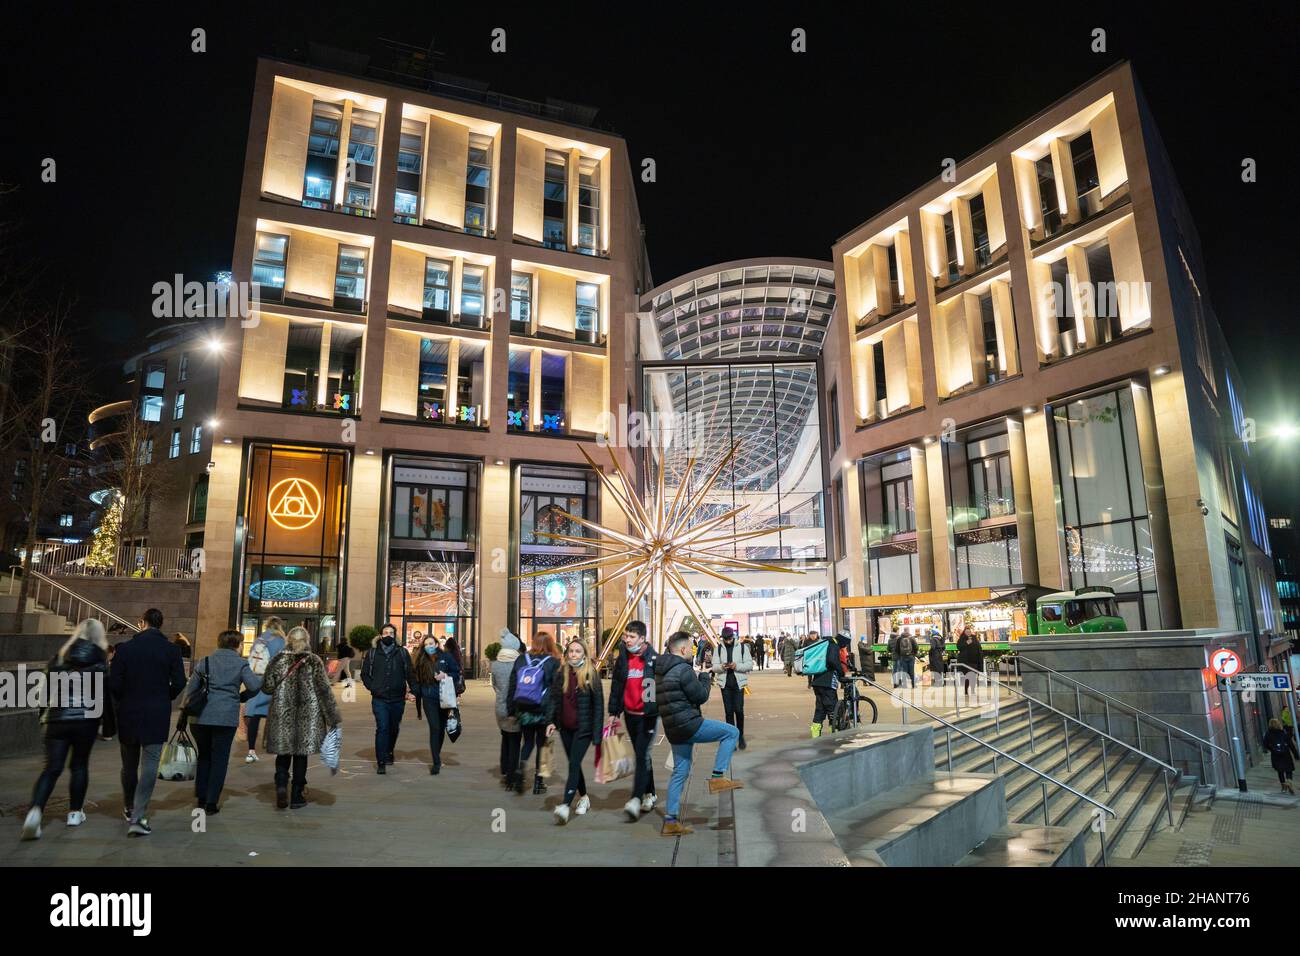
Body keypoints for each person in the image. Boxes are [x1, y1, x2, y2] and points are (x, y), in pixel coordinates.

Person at [21, 620, 109, 841]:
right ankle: (75, 813)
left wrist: (44, 715)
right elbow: (105, 695)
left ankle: (35, 812)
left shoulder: (60, 656)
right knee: (79, 766)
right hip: (86, 720)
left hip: (57, 718)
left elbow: (43, 690)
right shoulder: (100, 660)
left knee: (51, 768)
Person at [656, 631, 743, 836]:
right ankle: (717, 776)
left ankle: (670, 821)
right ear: (684, 649)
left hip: (673, 728)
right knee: (731, 732)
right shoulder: (682, 669)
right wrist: (704, 675)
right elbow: (701, 696)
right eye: (691, 648)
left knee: (680, 772)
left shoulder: (660, 669)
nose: (692, 651)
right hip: (689, 724)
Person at [109, 607, 186, 837]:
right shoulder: (172, 650)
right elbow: (180, 682)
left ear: (142, 623)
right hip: (156, 712)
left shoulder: (125, 649)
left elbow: (113, 683)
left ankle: (129, 805)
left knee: (129, 764)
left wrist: (126, 697)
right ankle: (139, 815)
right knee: (151, 762)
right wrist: (166, 696)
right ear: (161, 624)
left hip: (129, 712)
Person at [261, 627, 341, 808]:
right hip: (308, 715)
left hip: (283, 713)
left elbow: (266, 686)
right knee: (300, 755)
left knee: (283, 753)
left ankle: (281, 785)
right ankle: (297, 794)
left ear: (288, 640)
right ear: (307, 640)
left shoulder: (278, 660)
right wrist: (332, 717)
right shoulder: (314, 661)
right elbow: (324, 690)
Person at [184, 629, 261, 813]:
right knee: (220, 758)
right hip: (225, 718)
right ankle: (211, 802)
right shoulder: (241, 663)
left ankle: (201, 797)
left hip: (200, 718)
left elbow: (191, 690)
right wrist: (242, 696)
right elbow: (255, 686)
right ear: (237, 645)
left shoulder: (205, 661)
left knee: (204, 755)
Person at [547, 638, 605, 824]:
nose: (573, 654)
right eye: (571, 651)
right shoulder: (561, 674)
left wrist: (597, 735)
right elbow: (554, 701)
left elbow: (598, 707)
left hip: (584, 729)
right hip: (565, 728)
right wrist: (551, 721)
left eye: (578, 651)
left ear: (584, 654)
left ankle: (565, 805)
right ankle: (585, 797)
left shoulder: (591, 674)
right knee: (574, 763)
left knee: (573, 764)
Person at [607, 620, 659, 820]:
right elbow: (617, 686)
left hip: (647, 717)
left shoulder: (653, 659)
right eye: (626, 636)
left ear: (642, 639)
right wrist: (614, 712)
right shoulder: (623, 659)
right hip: (630, 715)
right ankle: (650, 793)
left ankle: (636, 798)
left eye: (631, 637)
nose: (627, 640)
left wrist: (653, 710)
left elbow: (656, 690)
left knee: (641, 754)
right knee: (642, 754)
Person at [507, 631, 562, 794]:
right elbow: (556, 691)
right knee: (542, 745)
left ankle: (520, 768)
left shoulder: (521, 659)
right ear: (550, 644)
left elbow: (512, 685)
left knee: (528, 742)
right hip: (543, 710)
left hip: (524, 708)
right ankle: (538, 782)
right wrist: (555, 717)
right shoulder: (553, 662)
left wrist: (511, 709)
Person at [361, 622, 414, 774]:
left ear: (395, 635)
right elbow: (365, 674)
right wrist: (373, 687)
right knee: (382, 728)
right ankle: (381, 761)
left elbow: (410, 673)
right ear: (380, 635)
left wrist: (414, 690)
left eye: (391, 633)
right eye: (385, 632)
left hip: (398, 698)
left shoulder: (402, 652)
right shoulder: (372, 653)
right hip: (380, 698)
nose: (388, 635)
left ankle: (390, 750)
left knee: (394, 727)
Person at [411, 633, 460, 775]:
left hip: (444, 697)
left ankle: (436, 754)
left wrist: (445, 676)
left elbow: (456, 672)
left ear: (437, 644)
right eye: (426, 645)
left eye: (431, 644)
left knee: (441, 728)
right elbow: (416, 679)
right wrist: (414, 693)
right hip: (429, 698)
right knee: (435, 727)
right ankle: (436, 762)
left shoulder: (446, 657)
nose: (429, 647)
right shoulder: (420, 659)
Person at [243, 617, 286, 763]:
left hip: (255, 681)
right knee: (274, 716)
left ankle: (251, 751)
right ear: (279, 626)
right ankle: (274, 748)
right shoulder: (280, 640)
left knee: (254, 716)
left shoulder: (259, 639)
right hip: (271, 682)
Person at [711, 626, 753, 750]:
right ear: (722, 638)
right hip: (725, 684)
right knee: (728, 712)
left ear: (733, 636)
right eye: (725, 639)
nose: (728, 641)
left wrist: (736, 666)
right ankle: (732, 739)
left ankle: (741, 736)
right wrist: (722, 667)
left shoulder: (742, 647)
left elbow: (749, 665)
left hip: (738, 683)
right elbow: (714, 667)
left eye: (730, 638)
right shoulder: (718, 649)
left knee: (739, 710)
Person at [492, 629, 524, 788]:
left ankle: (504, 768)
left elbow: (495, 686)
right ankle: (511, 776)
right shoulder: (519, 663)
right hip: (515, 707)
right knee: (515, 742)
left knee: (505, 736)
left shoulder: (495, 664)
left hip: (499, 707)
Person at [808, 631, 845, 738]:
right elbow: (833, 661)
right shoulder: (833, 645)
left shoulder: (825, 643)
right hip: (827, 683)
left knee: (820, 708)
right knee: (832, 708)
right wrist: (841, 672)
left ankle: (815, 733)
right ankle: (834, 733)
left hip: (818, 681)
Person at [1264, 718, 1298, 794]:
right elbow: (1291, 745)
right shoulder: (1283, 733)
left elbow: (1265, 744)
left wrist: (1272, 749)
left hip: (1276, 755)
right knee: (1288, 769)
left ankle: (1283, 787)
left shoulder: (1268, 734)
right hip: (1285, 754)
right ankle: (1289, 781)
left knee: (1280, 771)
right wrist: (1296, 755)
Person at [955, 625, 983, 700]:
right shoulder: (962, 639)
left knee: (973, 676)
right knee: (967, 676)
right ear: (964, 632)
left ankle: (973, 690)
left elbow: (979, 647)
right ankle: (966, 690)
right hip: (965, 661)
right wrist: (966, 643)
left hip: (974, 660)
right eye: (967, 632)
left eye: (969, 631)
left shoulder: (974, 638)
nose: (968, 633)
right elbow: (958, 647)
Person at [99, 643, 118, 741]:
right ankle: (107, 733)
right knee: (108, 710)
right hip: (105, 692)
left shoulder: (99, 663)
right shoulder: (107, 664)